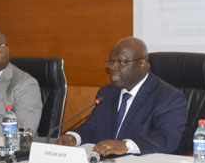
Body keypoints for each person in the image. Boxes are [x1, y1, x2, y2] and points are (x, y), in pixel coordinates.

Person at [57, 36, 187, 156]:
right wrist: (75, 137)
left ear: (142, 64)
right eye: (111, 62)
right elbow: (92, 128)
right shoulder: (106, 93)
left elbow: (166, 139)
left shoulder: (168, 98)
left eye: (121, 62)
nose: (114, 67)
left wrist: (126, 146)